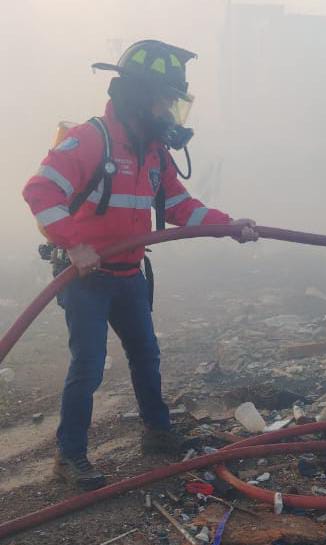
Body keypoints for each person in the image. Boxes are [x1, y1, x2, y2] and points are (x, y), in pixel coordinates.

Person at [22, 40, 258, 490]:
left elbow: (180, 206)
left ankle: (157, 432)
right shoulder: (90, 139)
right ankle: (69, 456)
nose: (170, 111)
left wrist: (229, 225)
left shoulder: (153, 152)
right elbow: (40, 191)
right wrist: (75, 245)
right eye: (165, 99)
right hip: (87, 279)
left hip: (129, 275)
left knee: (146, 355)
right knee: (89, 366)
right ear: (138, 95)